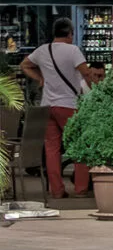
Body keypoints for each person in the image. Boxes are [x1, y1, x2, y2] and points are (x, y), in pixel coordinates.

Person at [21, 20, 98, 200]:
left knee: (52, 149)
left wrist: (40, 78)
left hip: (47, 105)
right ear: (70, 33)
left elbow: (24, 65)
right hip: (69, 105)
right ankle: (80, 188)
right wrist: (96, 91)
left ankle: (56, 190)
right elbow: (86, 73)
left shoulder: (42, 50)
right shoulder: (73, 51)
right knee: (80, 146)